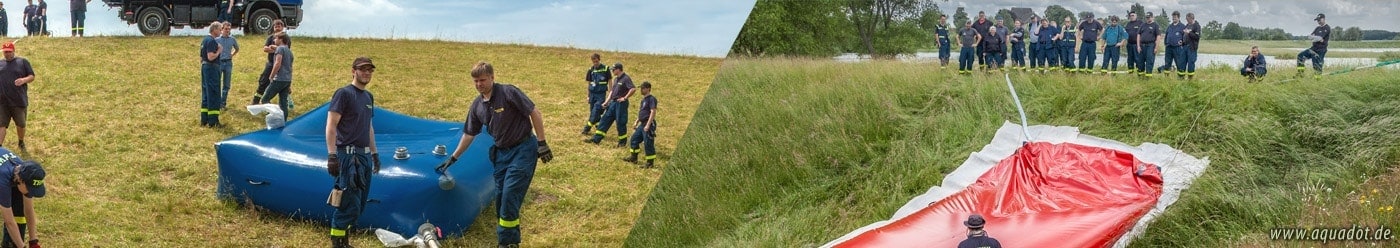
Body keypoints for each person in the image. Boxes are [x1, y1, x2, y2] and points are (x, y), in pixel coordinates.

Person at [437, 62, 553, 248]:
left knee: (509, 195)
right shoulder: (477, 106)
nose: (479, 84)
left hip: (522, 150)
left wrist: (542, 143)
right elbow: (469, 134)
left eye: (482, 80)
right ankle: (509, 237)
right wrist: (453, 158)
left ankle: (507, 243)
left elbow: (534, 112)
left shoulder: (509, 93)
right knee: (501, 199)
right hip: (500, 155)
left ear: (492, 77)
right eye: (475, 81)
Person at [324, 57, 380, 248]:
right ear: (353, 71)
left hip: (364, 157)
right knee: (348, 203)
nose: (366, 73)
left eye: (370, 70)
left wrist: (374, 154)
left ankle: (344, 242)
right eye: (362, 69)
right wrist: (332, 155)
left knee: (360, 205)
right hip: (348, 157)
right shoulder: (344, 94)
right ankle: (337, 243)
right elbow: (331, 126)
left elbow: (369, 127)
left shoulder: (368, 97)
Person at [0, 149, 45, 248]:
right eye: (30, 189)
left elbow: (28, 210)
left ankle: (10, 243)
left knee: (19, 206)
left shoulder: (25, 171)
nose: (30, 193)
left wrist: (33, 241)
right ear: (22, 181)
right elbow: (9, 221)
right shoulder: (3, 180)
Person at [587, 63, 635, 146]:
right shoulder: (616, 79)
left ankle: (622, 143)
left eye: (613, 69)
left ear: (618, 69)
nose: (612, 71)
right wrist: (606, 101)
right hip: (613, 103)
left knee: (620, 123)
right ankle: (596, 139)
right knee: (604, 120)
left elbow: (633, 88)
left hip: (621, 104)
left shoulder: (626, 78)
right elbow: (612, 91)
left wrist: (625, 98)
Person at [0, 43, 33, 150]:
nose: (7, 53)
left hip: (18, 101)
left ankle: (21, 141)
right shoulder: (0, 63)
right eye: (5, 51)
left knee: (21, 124)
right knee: (1, 124)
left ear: (13, 51)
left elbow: (32, 76)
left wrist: (23, 80)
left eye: (9, 51)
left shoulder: (22, 62)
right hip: (3, 101)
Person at [622, 81, 658, 168]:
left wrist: (648, 125)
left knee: (648, 143)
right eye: (641, 88)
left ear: (648, 89)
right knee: (634, 139)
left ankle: (650, 163)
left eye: (643, 88)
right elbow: (642, 112)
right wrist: (636, 121)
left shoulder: (651, 99)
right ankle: (633, 158)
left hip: (648, 124)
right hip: (642, 124)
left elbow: (652, 112)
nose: (641, 90)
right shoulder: (643, 100)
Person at [251, 19, 287, 105]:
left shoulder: (286, 38)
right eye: (275, 26)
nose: (277, 28)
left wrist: (274, 49)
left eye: (279, 26)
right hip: (271, 64)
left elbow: (286, 50)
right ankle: (256, 101)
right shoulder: (270, 38)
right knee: (263, 82)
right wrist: (277, 49)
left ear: (282, 27)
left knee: (281, 84)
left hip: (282, 65)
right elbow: (265, 49)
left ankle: (281, 103)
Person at [262, 33, 293, 118]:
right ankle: (283, 121)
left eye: (276, 38)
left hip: (279, 79)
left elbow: (277, 63)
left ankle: (274, 116)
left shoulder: (279, 49)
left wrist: (271, 76)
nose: (274, 40)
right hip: (287, 80)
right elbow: (290, 68)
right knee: (283, 103)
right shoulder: (289, 52)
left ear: (281, 40)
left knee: (265, 99)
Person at [199, 23, 224, 127]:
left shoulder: (204, 40)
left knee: (206, 94)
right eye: (220, 29)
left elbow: (201, 58)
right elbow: (210, 57)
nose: (221, 31)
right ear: (214, 29)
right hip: (212, 67)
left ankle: (204, 119)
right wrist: (219, 51)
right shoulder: (211, 41)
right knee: (214, 93)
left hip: (205, 68)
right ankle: (213, 121)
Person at [580, 53, 611, 136]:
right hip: (592, 94)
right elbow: (589, 84)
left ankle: (586, 129)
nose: (595, 63)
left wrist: (610, 94)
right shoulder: (590, 70)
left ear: (599, 59)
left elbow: (610, 81)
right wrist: (588, 96)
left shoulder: (606, 69)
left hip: (601, 94)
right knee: (593, 112)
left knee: (595, 111)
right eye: (593, 61)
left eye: (596, 61)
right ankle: (599, 128)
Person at [1297, 13, 1330, 80]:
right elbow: (1309, 37)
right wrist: (1316, 38)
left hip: (1320, 50)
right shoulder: (1317, 28)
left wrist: (1315, 38)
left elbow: (1318, 38)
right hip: (1313, 48)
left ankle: (1318, 80)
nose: (1318, 22)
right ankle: (1300, 74)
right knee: (1300, 56)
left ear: (1323, 19)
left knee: (1316, 65)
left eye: (1319, 20)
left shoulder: (1327, 28)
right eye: (1317, 20)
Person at [216, 22, 239, 111]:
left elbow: (237, 48)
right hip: (219, 63)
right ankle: (216, 102)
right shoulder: (217, 40)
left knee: (226, 84)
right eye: (226, 29)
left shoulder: (232, 39)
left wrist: (232, 55)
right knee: (217, 82)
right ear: (222, 30)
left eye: (229, 29)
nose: (227, 31)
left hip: (228, 63)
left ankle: (223, 103)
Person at [1160, 11, 1187, 79]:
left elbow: (1186, 37)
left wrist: (1183, 42)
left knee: (1179, 63)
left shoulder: (1182, 26)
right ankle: (1166, 77)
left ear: (1178, 17)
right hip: (1169, 48)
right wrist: (1166, 43)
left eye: (1175, 17)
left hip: (1177, 48)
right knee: (1167, 63)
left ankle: (1181, 77)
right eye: (1173, 17)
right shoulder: (1170, 26)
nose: (1173, 19)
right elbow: (1166, 36)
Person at [1136, 11, 1160, 78]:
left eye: (1149, 17)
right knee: (1140, 61)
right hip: (1142, 45)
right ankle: (1140, 76)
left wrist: (1156, 47)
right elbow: (1138, 35)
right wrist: (1138, 46)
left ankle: (1148, 77)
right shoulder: (1143, 25)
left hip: (1150, 45)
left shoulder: (1155, 25)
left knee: (1149, 61)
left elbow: (1158, 36)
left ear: (1152, 17)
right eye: (1146, 18)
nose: (1147, 19)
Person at [1184, 13, 1202, 80]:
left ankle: (1190, 78)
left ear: (1191, 18)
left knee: (1191, 62)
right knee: (1183, 62)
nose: (1187, 20)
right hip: (1185, 46)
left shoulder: (1196, 26)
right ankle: (1182, 77)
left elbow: (1197, 37)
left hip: (1192, 48)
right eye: (1186, 19)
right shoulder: (1187, 25)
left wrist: (1189, 33)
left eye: (1188, 19)